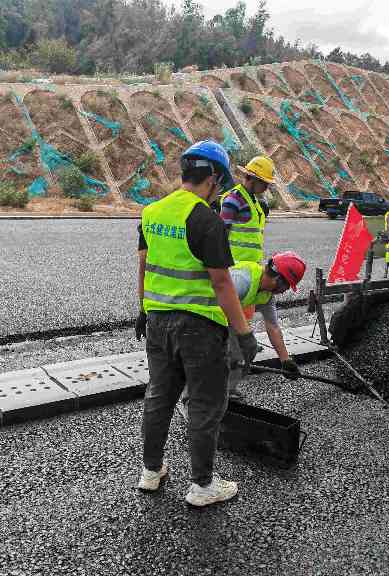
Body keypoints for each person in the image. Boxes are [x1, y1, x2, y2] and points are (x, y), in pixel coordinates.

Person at [134, 140, 259, 507]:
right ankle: (203, 486)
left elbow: (143, 264)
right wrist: (244, 334)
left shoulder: (152, 212)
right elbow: (221, 283)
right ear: (214, 178)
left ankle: (151, 472)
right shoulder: (206, 219)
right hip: (199, 329)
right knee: (205, 405)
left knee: (159, 397)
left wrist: (142, 309)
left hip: (157, 322)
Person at [177, 252, 306, 412]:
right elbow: (210, 308)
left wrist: (285, 360)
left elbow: (273, 326)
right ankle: (190, 400)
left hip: (222, 315)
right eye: (287, 286)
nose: (285, 291)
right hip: (197, 310)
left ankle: (226, 391)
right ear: (279, 280)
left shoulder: (266, 294)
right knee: (210, 354)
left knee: (246, 350)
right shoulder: (242, 281)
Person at [219, 156, 276, 263]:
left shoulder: (253, 201)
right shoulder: (234, 199)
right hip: (236, 266)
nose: (266, 187)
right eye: (264, 183)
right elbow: (221, 234)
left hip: (250, 266)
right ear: (253, 179)